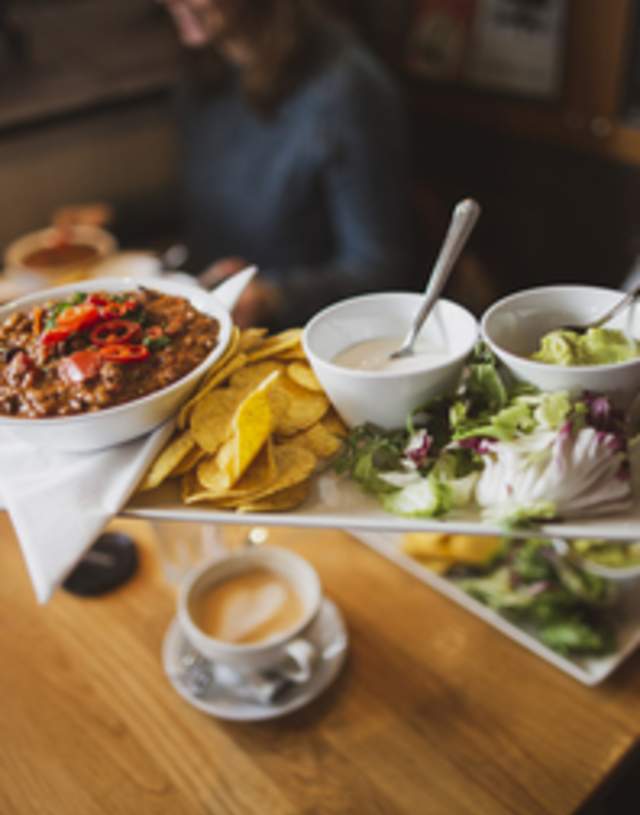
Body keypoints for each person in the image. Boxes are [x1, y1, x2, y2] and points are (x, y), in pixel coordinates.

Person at [160, 0, 419, 328]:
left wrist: (273, 296)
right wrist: (113, 219)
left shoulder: (347, 91)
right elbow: (209, 201)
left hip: (299, 336)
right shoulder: (204, 74)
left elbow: (381, 269)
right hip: (207, 313)